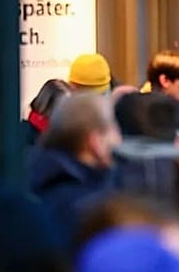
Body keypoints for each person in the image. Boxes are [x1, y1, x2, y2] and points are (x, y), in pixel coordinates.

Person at [27, 93, 120, 243]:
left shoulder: (36, 180)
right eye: (114, 129)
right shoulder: (90, 209)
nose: (118, 139)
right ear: (96, 141)